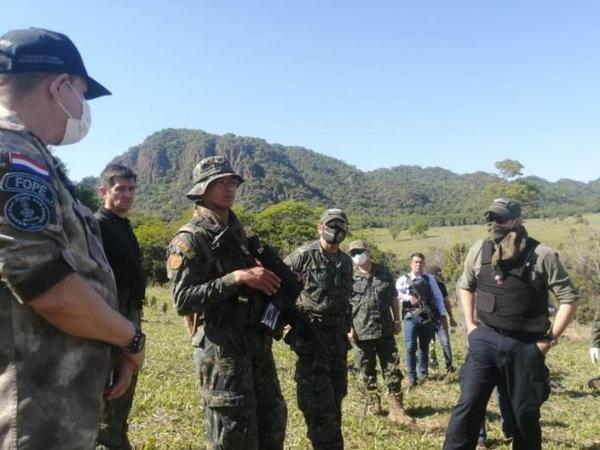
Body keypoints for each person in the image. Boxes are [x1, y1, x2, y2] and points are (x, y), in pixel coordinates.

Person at [0, 27, 145, 449]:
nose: (82, 108)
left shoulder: (32, 157)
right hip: (28, 418)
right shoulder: (13, 157)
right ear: (61, 87)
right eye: (82, 94)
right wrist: (130, 338)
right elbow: (46, 286)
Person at [166, 156, 287, 450]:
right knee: (232, 433)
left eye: (232, 182)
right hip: (222, 352)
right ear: (202, 189)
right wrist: (237, 278)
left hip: (256, 346)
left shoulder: (238, 234)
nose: (228, 187)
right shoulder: (189, 239)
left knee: (271, 422)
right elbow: (183, 300)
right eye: (219, 182)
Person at [444, 198, 579, 450]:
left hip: (525, 345)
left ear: (517, 219)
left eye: (502, 218)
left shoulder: (541, 255)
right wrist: (471, 327)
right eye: (491, 218)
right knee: (468, 405)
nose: (494, 223)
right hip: (485, 338)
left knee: (524, 414)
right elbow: (465, 285)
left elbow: (569, 298)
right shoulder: (479, 249)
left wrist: (547, 341)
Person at [284, 208, 353, 450]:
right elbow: (278, 285)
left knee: (336, 398)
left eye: (340, 226)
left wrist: (349, 328)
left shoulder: (346, 262)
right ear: (319, 227)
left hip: (337, 340)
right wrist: (287, 323)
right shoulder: (303, 256)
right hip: (311, 338)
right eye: (331, 225)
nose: (336, 230)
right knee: (316, 402)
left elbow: (347, 300)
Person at [95, 164, 146, 450]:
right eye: (120, 189)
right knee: (110, 397)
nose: (127, 194)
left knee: (123, 391)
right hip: (110, 318)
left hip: (130, 315)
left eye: (131, 189)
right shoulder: (97, 225)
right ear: (104, 191)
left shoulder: (122, 225)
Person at [347, 240, 414, 425]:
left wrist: (397, 320)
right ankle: (373, 403)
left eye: (360, 251)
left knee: (391, 367)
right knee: (366, 369)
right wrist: (349, 329)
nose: (357, 255)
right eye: (353, 253)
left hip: (385, 329)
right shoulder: (349, 276)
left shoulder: (383, 272)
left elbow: (393, 296)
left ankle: (397, 407)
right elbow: (346, 305)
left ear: (368, 252)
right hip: (361, 331)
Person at [396, 253, 447, 387]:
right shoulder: (403, 279)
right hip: (410, 317)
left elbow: (438, 297)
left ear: (424, 264)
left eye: (421, 262)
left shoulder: (430, 279)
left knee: (424, 347)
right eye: (416, 262)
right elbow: (396, 294)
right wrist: (408, 298)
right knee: (410, 347)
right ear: (411, 263)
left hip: (427, 317)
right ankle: (411, 377)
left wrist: (441, 315)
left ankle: (423, 374)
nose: (418, 264)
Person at [427, 265, 456, 374]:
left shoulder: (439, 285)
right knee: (439, 343)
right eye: (438, 274)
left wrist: (451, 317)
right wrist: (451, 317)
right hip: (431, 318)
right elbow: (446, 302)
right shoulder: (432, 284)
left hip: (439, 317)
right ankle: (446, 366)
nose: (439, 276)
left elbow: (446, 301)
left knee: (438, 343)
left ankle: (446, 366)